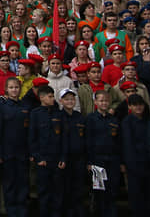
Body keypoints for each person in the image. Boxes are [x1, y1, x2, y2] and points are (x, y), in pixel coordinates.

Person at [28, 85, 65, 216]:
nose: (52, 99)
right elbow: (32, 137)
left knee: (57, 191)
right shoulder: (35, 113)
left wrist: (62, 158)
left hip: (56, 158)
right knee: (43, 191)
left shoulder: (58, 114)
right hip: (43, 159)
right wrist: (38, 157)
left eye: (53, 96)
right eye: (49, 96)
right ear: (42, 97)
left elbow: (63, 138)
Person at [0, 77, 29, 217]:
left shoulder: (25, 106)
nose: (14, 90)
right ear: (6, 90)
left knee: (22, 183)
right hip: (7, 152)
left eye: (16, 87)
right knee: (9, 183)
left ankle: (22, 210)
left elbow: (28, 131)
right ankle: (10, 211)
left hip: (22, 151)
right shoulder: (1, 107)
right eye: (11, 88)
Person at [85, 90, 122, 217]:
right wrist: (89, 162)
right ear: (95, 102)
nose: (104, 103)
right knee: (99, 191)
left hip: (113, 160)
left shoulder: (114, 120)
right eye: (101, 101)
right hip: (97, 161)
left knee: (112, 191)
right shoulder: (90, 119)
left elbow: (118, 141)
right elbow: (88, 141)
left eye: (106, 101)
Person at [121, 94, 150, 217]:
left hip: (148, 162)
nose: (138, 107)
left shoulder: (148, 121)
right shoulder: (127, 122)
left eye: (140, 104)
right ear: (130, 106)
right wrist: (129, 163)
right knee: (136, 195)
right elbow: (127, 144)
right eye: (135, 105)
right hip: (134, 164)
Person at [59, 88, 86, 217]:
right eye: (67, 99)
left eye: (72, 99)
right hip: (65, 159)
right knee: (65, 188)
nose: (70, 101)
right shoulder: (58, 117)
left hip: (79, 158)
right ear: (61, 101)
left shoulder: (79, 117)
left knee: (79, 188)